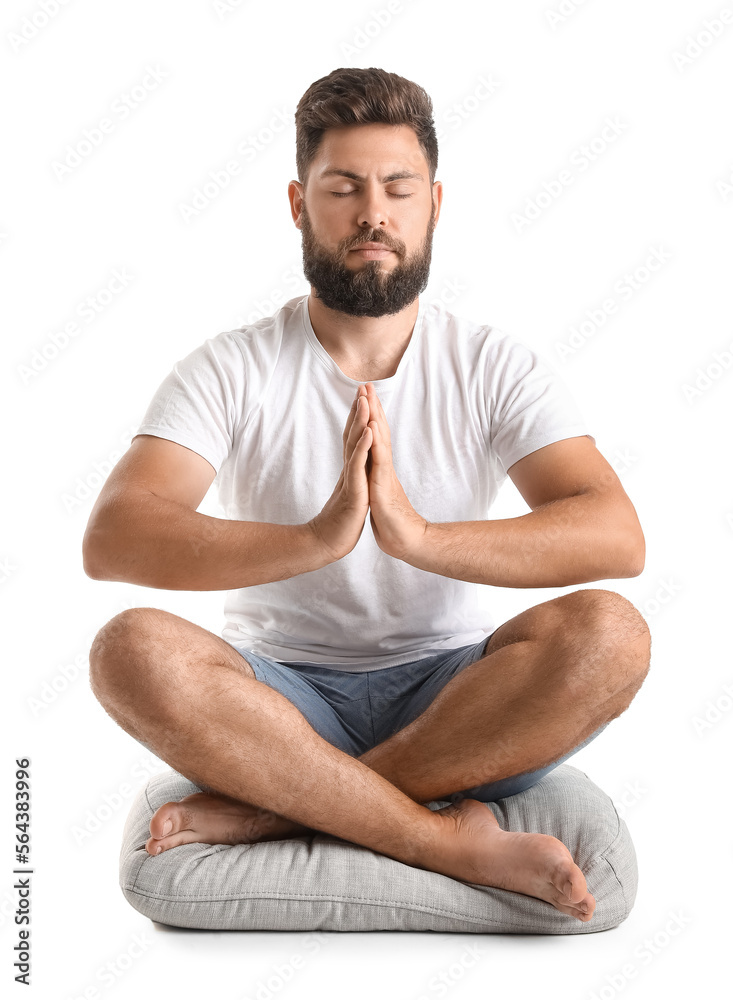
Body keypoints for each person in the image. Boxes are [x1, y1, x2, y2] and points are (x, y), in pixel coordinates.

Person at [83, 68, 650, 924]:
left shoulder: (494, 365)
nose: (371, 213)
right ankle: (439, 839)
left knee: (611, 634)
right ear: (299, 204)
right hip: (276, 706)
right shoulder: (229, 367)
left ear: (434, 204)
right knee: (129, 651)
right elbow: (115, 539)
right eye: (342, 188)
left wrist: (416, 536)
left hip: (455, 700)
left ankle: (272, 814)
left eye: (396, 188)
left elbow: (616, 536)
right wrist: (316, 540)